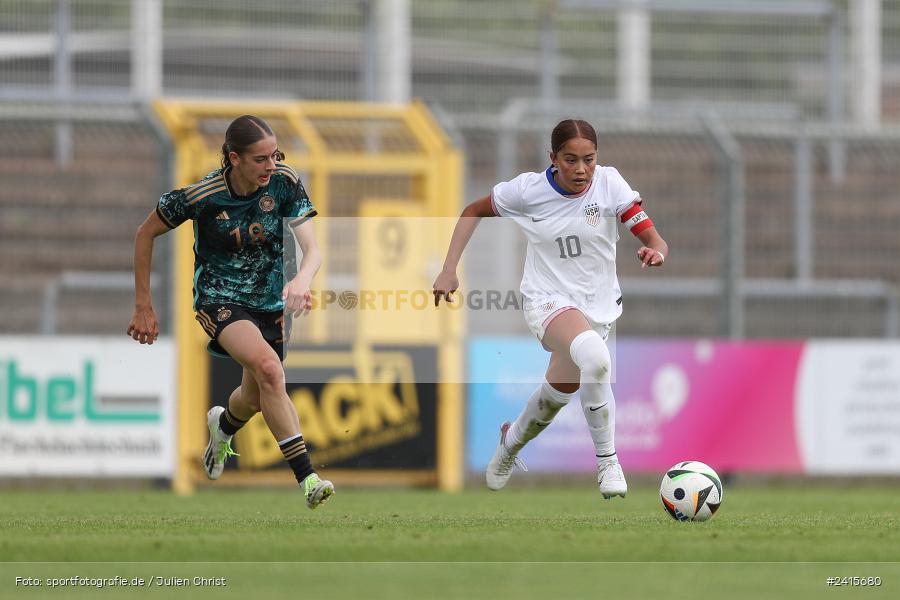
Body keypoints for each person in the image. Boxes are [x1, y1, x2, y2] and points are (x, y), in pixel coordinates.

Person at [433, 119, 668, 499]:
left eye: (588, 160)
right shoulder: (528, 191)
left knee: (556, 395)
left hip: (598, 306)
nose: (581, 169)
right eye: (570, 160)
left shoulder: (610, 184)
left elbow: (653, 237)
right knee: (596, 358)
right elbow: (472, 211)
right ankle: (608, 461)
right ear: (553, 158)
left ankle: (511, 441)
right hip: (547, 299)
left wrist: (655, 251)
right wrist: (448, 269)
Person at [127, 114, 334, 509]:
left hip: (270, 303)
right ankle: (308, 480)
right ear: (234, 158)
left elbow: (314, 250)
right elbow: (145, 232)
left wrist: (303, 279)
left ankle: (222, 428)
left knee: (254, 398)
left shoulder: (285, 180)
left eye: (275, 156)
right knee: (271, 370)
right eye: (260, 159)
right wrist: (143, 305)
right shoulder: (202, 195)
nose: (270, 166)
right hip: (219, 300)